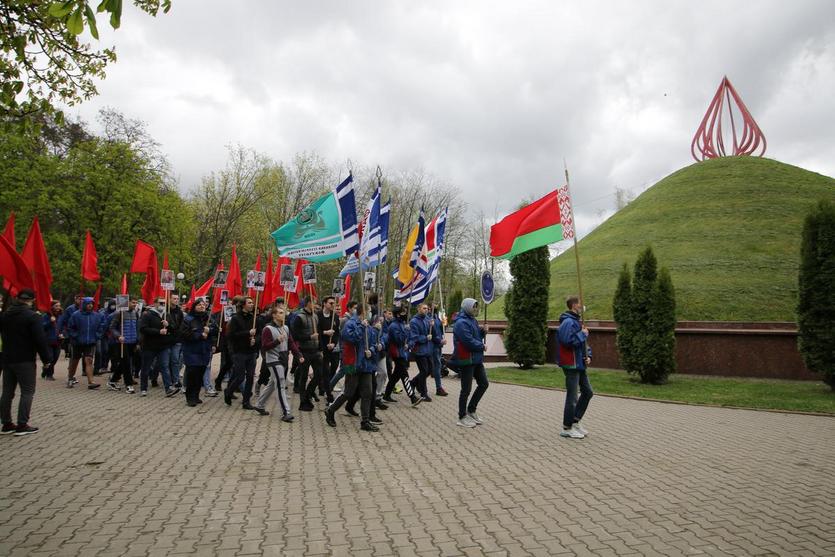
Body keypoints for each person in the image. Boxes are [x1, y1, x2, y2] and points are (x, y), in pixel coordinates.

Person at [0, 289, 52, 436]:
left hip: (7, 358)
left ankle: (6, 423)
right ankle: (22, 425)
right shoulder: (32, 317)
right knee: (27, 392)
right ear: (32, 300)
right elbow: (40, 340)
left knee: (7, 392)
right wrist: (46, 359)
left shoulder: (6, 315)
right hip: (25, 359)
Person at [325, 303, 378, 432]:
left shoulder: (367, 324)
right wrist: (361, 327)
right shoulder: (351, 323)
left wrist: (371, 349)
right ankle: (330, 410)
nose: (371, 313)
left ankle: (365, 421)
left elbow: (373, 341)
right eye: (369, 311)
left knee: (368, 393)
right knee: (348, 392)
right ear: (363, 311)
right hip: (352, 363)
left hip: (366, 364)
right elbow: (351, 338)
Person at [557, 295, 593, 439]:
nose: (582, 307)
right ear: (574, 306)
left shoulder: (577, 322)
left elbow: (584, 344)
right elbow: (567, 341)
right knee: (572, 397)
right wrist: (582, 335)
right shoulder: (568, 322)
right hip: (571, 364)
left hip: (579, 363)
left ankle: (575, 421)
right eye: (580, 304)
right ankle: (567, 427)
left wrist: (588, 355)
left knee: (588, 392)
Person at [254, 306, 300, 421]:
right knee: (280, 384)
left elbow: (291, 343)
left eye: (283, 312)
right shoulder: (267, 329)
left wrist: (298, 355)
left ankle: (259, 405)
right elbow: (265, 346)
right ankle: (286, 412)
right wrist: (277, 341)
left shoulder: (286, 327)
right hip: (273, 360)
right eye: (280, 312)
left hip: (283, 359)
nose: (283, 314)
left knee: (271, 384)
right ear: (274, 315)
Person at [452, 298, 489, 428]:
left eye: (476, 307)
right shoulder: (461, 323)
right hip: (467, 359)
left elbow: (476, 335)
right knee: (466, 389)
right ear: (467, 307)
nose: (476, 309)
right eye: (473, 307)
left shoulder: (472, 320)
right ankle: (462, 417)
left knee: (484, 384)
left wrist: (483, 331)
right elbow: (467, 341)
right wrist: (481, 346)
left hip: (476, 359)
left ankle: (471, 410)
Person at [224, 296, 259, 410]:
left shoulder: (254, 318)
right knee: (239, 377)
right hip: (239, 351)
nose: (252, 304)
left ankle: (246, 402)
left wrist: (255, 340)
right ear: (243, 305)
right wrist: (247, 333)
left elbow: (258, 333)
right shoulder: (235, 318)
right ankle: (228, 392)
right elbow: (231, 335)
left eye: (252, 302)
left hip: (251, 351)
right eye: (249, 302)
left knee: (250, 377)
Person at [181, 298, 216, 407]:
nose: (202, 306)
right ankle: (190, 398)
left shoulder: (208, 318)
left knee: (200, 373)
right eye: (199, 305)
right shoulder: (188, 319)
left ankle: (196, 396)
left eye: (203, 305)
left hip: (204, 351)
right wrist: (199, 335)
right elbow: (184, 334)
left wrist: (209, 331)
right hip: (192, 351)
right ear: (194, 306)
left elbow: (215, 329)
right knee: (192, 374)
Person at [138, 297, 177, 397]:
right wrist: (158, 331)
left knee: (164, 367)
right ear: (155, 303)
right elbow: (143, 329)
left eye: (164, 303)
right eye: (160, 303)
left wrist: (168, 325)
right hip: (149, 346)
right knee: (146, 368)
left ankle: (168, 388)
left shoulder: (166, 314)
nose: (162, 305)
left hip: (163, 346)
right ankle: (143, 388)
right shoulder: (148, 314)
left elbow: (174, 329)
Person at [383, 305, 420, 406]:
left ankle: (386, 395)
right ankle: (412, 397)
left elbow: (411, 338)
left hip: (403, 353)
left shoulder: (403, 324)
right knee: (405, 375)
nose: (406, 314)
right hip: (397, 354)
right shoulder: (393, 326)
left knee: (396, 376)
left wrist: (409, 344)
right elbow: (399, 340)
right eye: (403, 312)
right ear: (398, 315)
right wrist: (406, 332)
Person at [67, 297, 106, 389]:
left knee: (89, 361)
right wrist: (75, 336)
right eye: (88, 303)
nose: (90, 305)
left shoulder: (97, 315)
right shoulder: (75, 315)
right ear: (84, 304)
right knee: (74, 361)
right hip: (77, 342)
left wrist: (97, 335)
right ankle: (70, 378)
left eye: (92, 303)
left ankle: (91, 382)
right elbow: (70, 327)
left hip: (91, 342)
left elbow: (102, 326)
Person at [290, 297, 321, 412]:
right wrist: (309, 337)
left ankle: (308, 394)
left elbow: (319, 334)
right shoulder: (299, 317)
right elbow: (295, 335)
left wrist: (320, 349)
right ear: (308, 303)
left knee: (319, 374)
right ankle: (303, 402)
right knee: (303, 377)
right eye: (314, 303)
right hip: (304, 350)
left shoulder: (315, 316)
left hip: (315, 350)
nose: (316, 305)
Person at [107, 297, 140, 393]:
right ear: (127, 303)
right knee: (126, 364)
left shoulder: (135, 313)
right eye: (133, 302)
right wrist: (118, 336)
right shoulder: (119, 313)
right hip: (122, 343)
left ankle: (113, 380)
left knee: (123, 363)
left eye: (136, 302)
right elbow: (112, 328)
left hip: (132, 342)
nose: (135, 304)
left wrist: (137, 341)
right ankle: (128, 385)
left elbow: (136, 328)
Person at [317, 296, 340, 404]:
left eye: (334, 303)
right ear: (324, 303)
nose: (333, 305)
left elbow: (337, 332)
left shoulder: (335, 317)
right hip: (322, 347)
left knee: (334, 366)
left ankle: (324, 384)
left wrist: (333, 343)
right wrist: (324, 333)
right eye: (331, 303)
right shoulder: (318, 316)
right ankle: (328, 392)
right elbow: (316, 331)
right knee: (325, 370)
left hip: (332, 347)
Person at [408, 303, 433, 401]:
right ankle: (423, 393)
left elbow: (431, 333)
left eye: (427, 308)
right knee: (424, 371)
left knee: (430, 370)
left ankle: (413, 382)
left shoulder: (427, 319)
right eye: (424, 308)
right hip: (419, 350)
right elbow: (414, 337)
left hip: (428, 349)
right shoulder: (414, 321)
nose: (426, 310)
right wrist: (425, 338)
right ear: (418, 309)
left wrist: (432, 326)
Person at [429, 304, 448, 396]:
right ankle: (438, 387)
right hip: (433, 347)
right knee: (435, 367)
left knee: (432, 368)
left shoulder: (437, 318)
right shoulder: (429, 319)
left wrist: (444, 323)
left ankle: (414, 383)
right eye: (433, 305)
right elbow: (431, 334)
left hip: (438, 346)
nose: (435, 306)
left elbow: (440, 330)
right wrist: (440, 340)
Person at [41, 301, 62, 380]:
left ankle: (45, 368)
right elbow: (42, 327)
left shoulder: (61, 316)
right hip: (48, 340)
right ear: (52, 307)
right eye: (56, 306)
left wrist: (62, 334)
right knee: (50, 358)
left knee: (55, 358)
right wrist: (50, 321)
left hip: (58, 341)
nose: (58, 308)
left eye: (59, 306)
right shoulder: (46, 316)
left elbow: (62, 327)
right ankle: (49, 375)